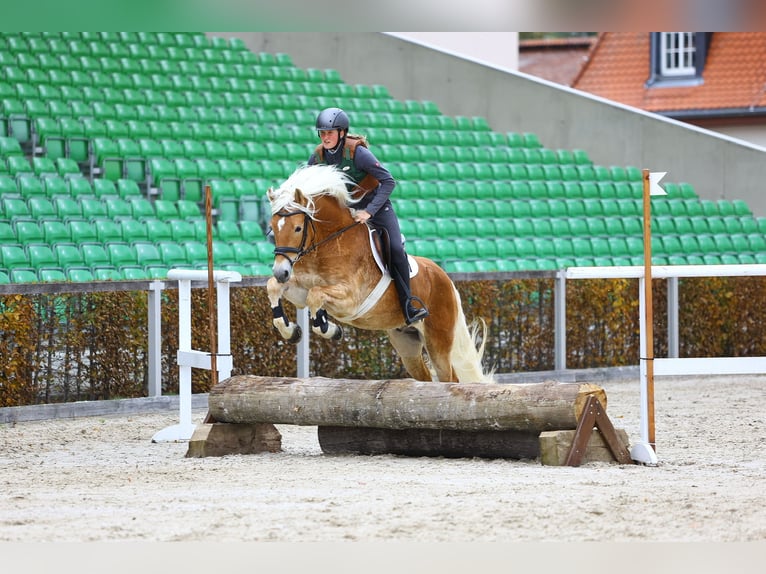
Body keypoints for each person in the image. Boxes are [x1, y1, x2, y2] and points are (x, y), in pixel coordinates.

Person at [308, 107, 429, 325]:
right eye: (322, 133)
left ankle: (408, 304)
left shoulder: (358, 153)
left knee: (394, 248)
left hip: (377, 208)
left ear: (342, 133)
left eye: (330, 133)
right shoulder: (317, 157)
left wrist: (369, 211)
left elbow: (388, 181)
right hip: (346, 214)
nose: (325, 137)